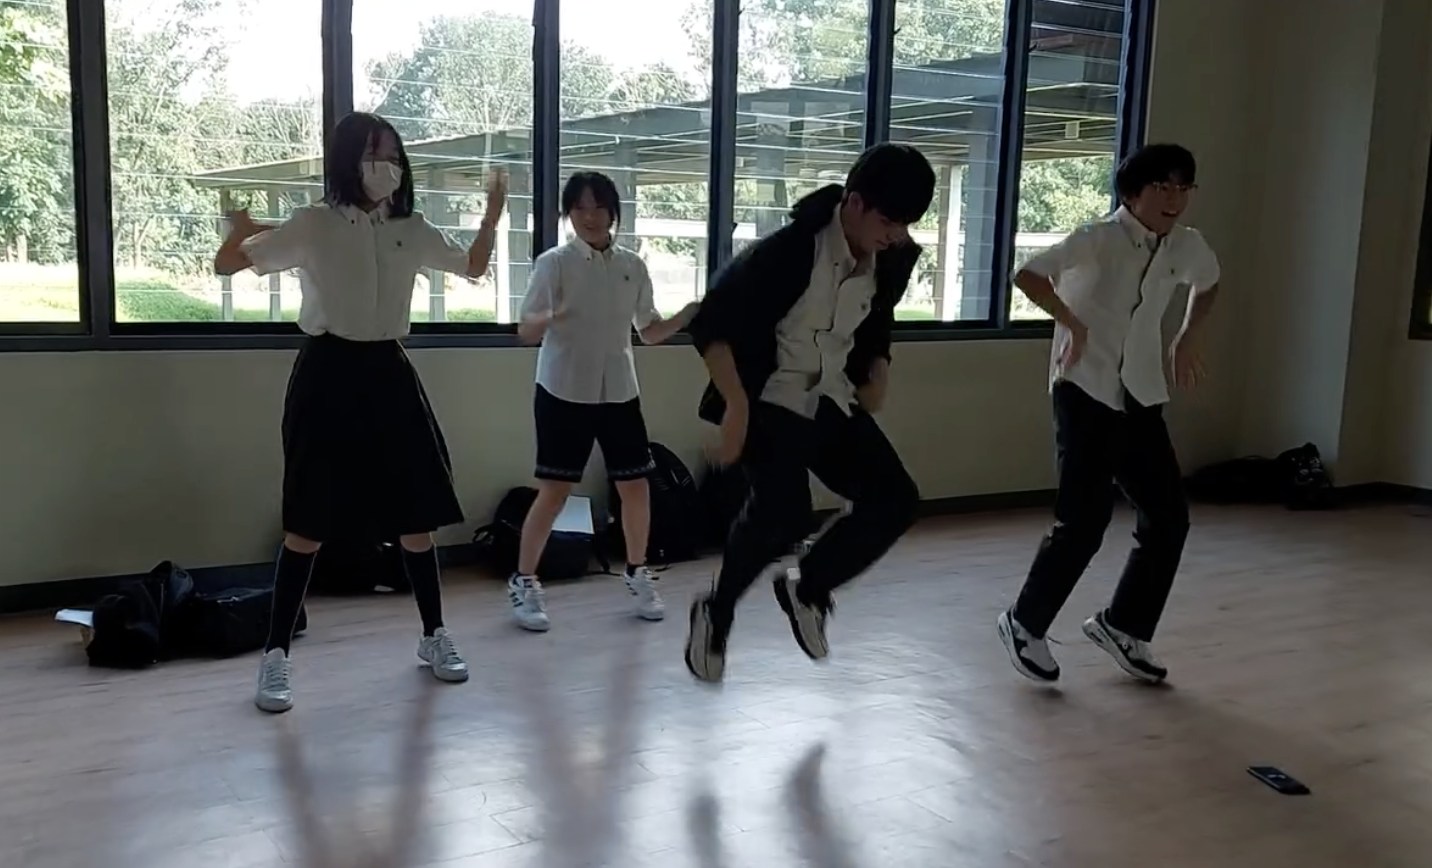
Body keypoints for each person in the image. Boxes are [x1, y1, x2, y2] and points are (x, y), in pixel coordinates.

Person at [213, 111, 508, 713]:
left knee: (415, 515)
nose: (387, 165)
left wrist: (494, 213)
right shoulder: (314, 224)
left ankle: (433, 637)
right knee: (308, 520)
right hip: (327, 371)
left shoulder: (412, 226)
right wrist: (240, 229)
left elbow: (472, 267)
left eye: (394, 154)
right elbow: (230, 263)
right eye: (376, 153)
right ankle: (276, 656)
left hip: (388, 372)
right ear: (349, 160)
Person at [682, 143, 936, 683]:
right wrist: (734, 409)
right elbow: (711, 323)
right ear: (855, 202)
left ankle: (809, 586)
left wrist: (880, 368)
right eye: (889, 220)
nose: (895, 235)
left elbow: (876, 320)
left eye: (906, 224)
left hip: (829, 395)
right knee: (782, 510)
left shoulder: (890, 257)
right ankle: (716, 610)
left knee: (896, 499)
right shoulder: (791, 249)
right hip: (767, 395)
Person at [996, 143, 1221, 685]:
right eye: (1162, 187)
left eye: (1183, 187)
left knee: (1169, 518)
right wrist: (1071, 323)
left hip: (1141, 393)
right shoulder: (1097, 240)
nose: (1174, 199)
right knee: (1085, 520)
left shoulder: (1185, 246)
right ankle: (1024, 623)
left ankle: (1125, 625)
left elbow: (1209, 283)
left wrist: (1187, 335)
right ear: (1131, 193)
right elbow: (1028, 275)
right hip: (1085, 389)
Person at [509, 171, 699, 632]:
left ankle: (638, 572)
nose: (589, 217)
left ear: (614, 211)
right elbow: (525, 331)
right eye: (579, 209)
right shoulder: (554, 264)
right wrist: (548, 317)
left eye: (598, 208)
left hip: (619, 390)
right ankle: (524, 582)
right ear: (569, 215)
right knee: (554, 491)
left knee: (636, 486)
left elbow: (649, 331)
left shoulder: (632, 265)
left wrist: (690, 314)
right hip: (562, 390)